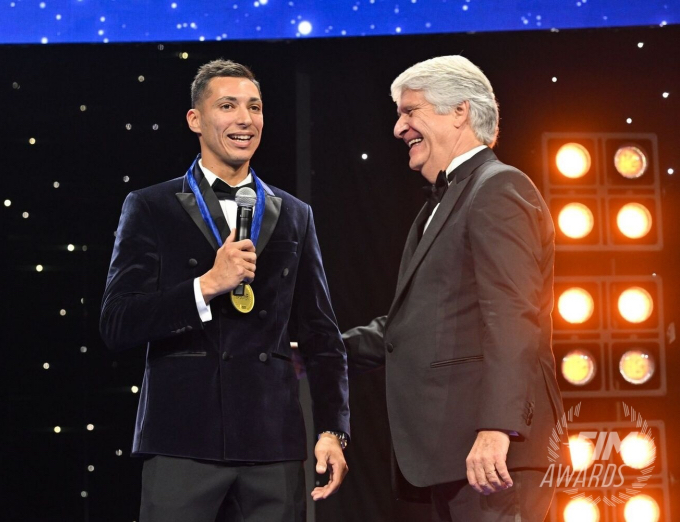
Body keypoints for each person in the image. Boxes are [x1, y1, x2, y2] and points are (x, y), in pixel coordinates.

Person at [100, 59, 350, 522]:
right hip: (181, 441)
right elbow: (118, 321)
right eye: (228, 106)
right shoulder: (151, 206)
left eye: (254, 107)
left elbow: (322, 335)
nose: (245, 119)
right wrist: (206, 286)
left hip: (272, 444)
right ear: (195, 119)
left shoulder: (295, 214)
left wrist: (333, 430)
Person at [343, 55, 566, 521]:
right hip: (454, 455)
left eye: (411, 111)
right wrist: (325, 351)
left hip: (494, 455)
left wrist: (498, 428)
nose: (398, 128)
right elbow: (412, 326)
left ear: (460, 111)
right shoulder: (442, 204)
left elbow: (513, 316)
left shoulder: (499, 188)